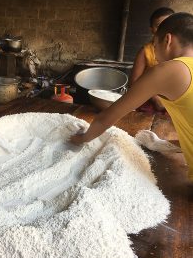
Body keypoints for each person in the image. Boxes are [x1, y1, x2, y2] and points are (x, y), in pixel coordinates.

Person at [70, 12, 193, 182]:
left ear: (168, 40)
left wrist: (81, 138)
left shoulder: (169, 70)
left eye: (155, 45)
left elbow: (107, 117)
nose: (154, 53)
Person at [129, 7, 174, 113]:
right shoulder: (145, 52)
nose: (164, 29)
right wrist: (154, 97)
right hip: (148, 100)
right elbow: (133, 83)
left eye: (168, 25)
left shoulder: (180, 50)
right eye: (159, 26)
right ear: (152, 30)